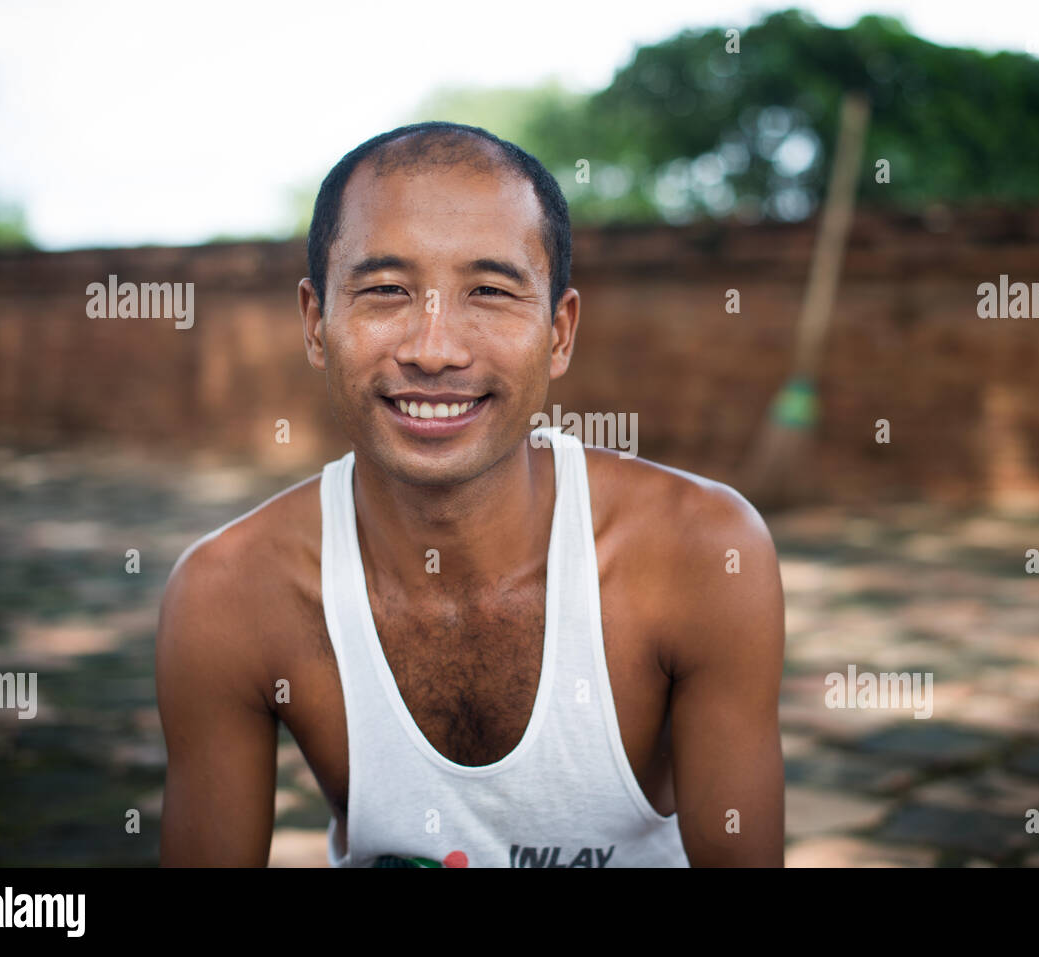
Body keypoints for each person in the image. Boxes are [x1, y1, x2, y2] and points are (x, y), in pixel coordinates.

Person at [156, 121, 785, 867]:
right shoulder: (227, 594)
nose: (435, 349)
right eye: (386, 290)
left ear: (559, 332)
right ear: (315, 322)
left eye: (488, 291)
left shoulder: (704, 554)